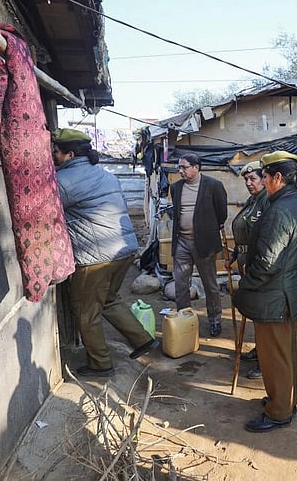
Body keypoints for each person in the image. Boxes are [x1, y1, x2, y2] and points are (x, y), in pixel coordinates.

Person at [52, 129, 158, 378]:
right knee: (109, 299)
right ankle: (142, 339)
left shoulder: (62, 181)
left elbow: (46, 212)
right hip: (124, 251)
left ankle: (100, 364)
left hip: (95, 258)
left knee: (86, 310)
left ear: (69, 154)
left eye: (56, 151)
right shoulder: (105, 175)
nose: (53, 156)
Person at [233, 151, 297, 433]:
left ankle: (279, 412)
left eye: (264, 176)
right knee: (287, 351)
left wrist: (245, 285)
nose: (262, 181)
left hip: (274, 296)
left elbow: (267, 262)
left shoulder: (280, 209)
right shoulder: (295, 201)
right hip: (287, 291)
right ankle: (285, 400)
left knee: (274, 356)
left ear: (278, 177)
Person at [170, 152, 228, 337]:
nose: (180, 171)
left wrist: (206, 229)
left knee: (209, 284)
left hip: (204, 243)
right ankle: (184, 319)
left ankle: (215, 320)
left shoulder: (213, 186)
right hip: (181, 241)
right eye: (179, 167)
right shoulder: (176, 187)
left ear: (196, 167)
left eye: (184, 167)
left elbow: (222, 214)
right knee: (180, 283)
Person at [230, 161, 270, 380]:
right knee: (254, 313)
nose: (248, 183)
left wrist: (252, 262)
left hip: (256, 264)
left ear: (264, 179)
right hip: (245, 260)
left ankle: (266, 360)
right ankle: (259, 350)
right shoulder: (253, 201)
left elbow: (264, 238)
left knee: (261, 313)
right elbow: (245, 231)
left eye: (253, 178)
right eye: (246, 179)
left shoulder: (267, 202)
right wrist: (236, 254)